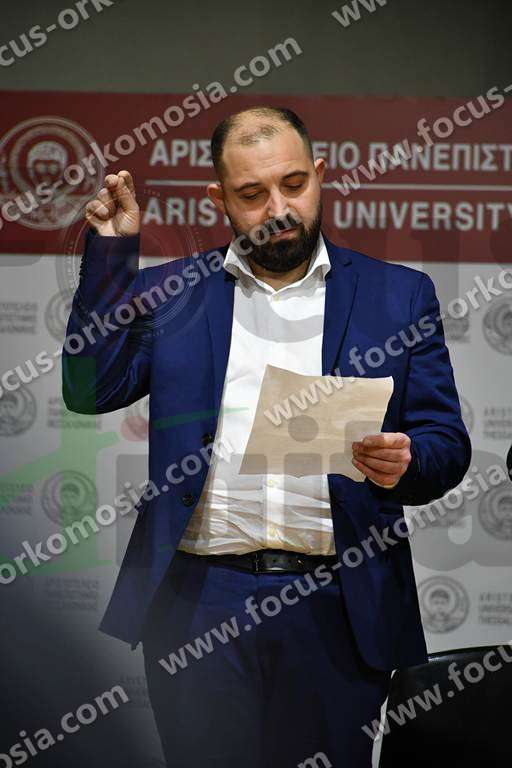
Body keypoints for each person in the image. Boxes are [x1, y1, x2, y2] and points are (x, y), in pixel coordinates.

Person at [62, 106, 472, 768]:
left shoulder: (399, 295)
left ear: (320, 174)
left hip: (338, 605)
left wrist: (409, 458)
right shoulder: (172, 293)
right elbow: (90, 390)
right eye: (251, 194)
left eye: (293, 184)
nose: (278, 208)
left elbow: (444, 441)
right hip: (199, 605)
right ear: (218, 198)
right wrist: (111, 255)